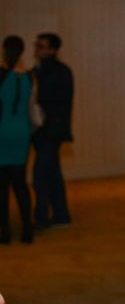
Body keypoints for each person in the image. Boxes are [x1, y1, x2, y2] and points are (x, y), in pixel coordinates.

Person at [32, 32, 73, 229]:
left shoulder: (59, 72)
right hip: (44, 131)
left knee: (41, 174)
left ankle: (41, 218)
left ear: (53, 50)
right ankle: (61, 215)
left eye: (41, 46)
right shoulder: (40, 70)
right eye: (36, 45)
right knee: (52, 173)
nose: (37, 50)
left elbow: (52, 101)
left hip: (51, 131)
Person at [0, 36, 37, 244]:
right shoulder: (29, 76)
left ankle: (4, 232)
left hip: (2, 130)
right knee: (20, 184)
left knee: (2, 187)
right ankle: (27, 230)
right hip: (21, 131)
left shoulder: (1, 74)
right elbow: (32, 105)